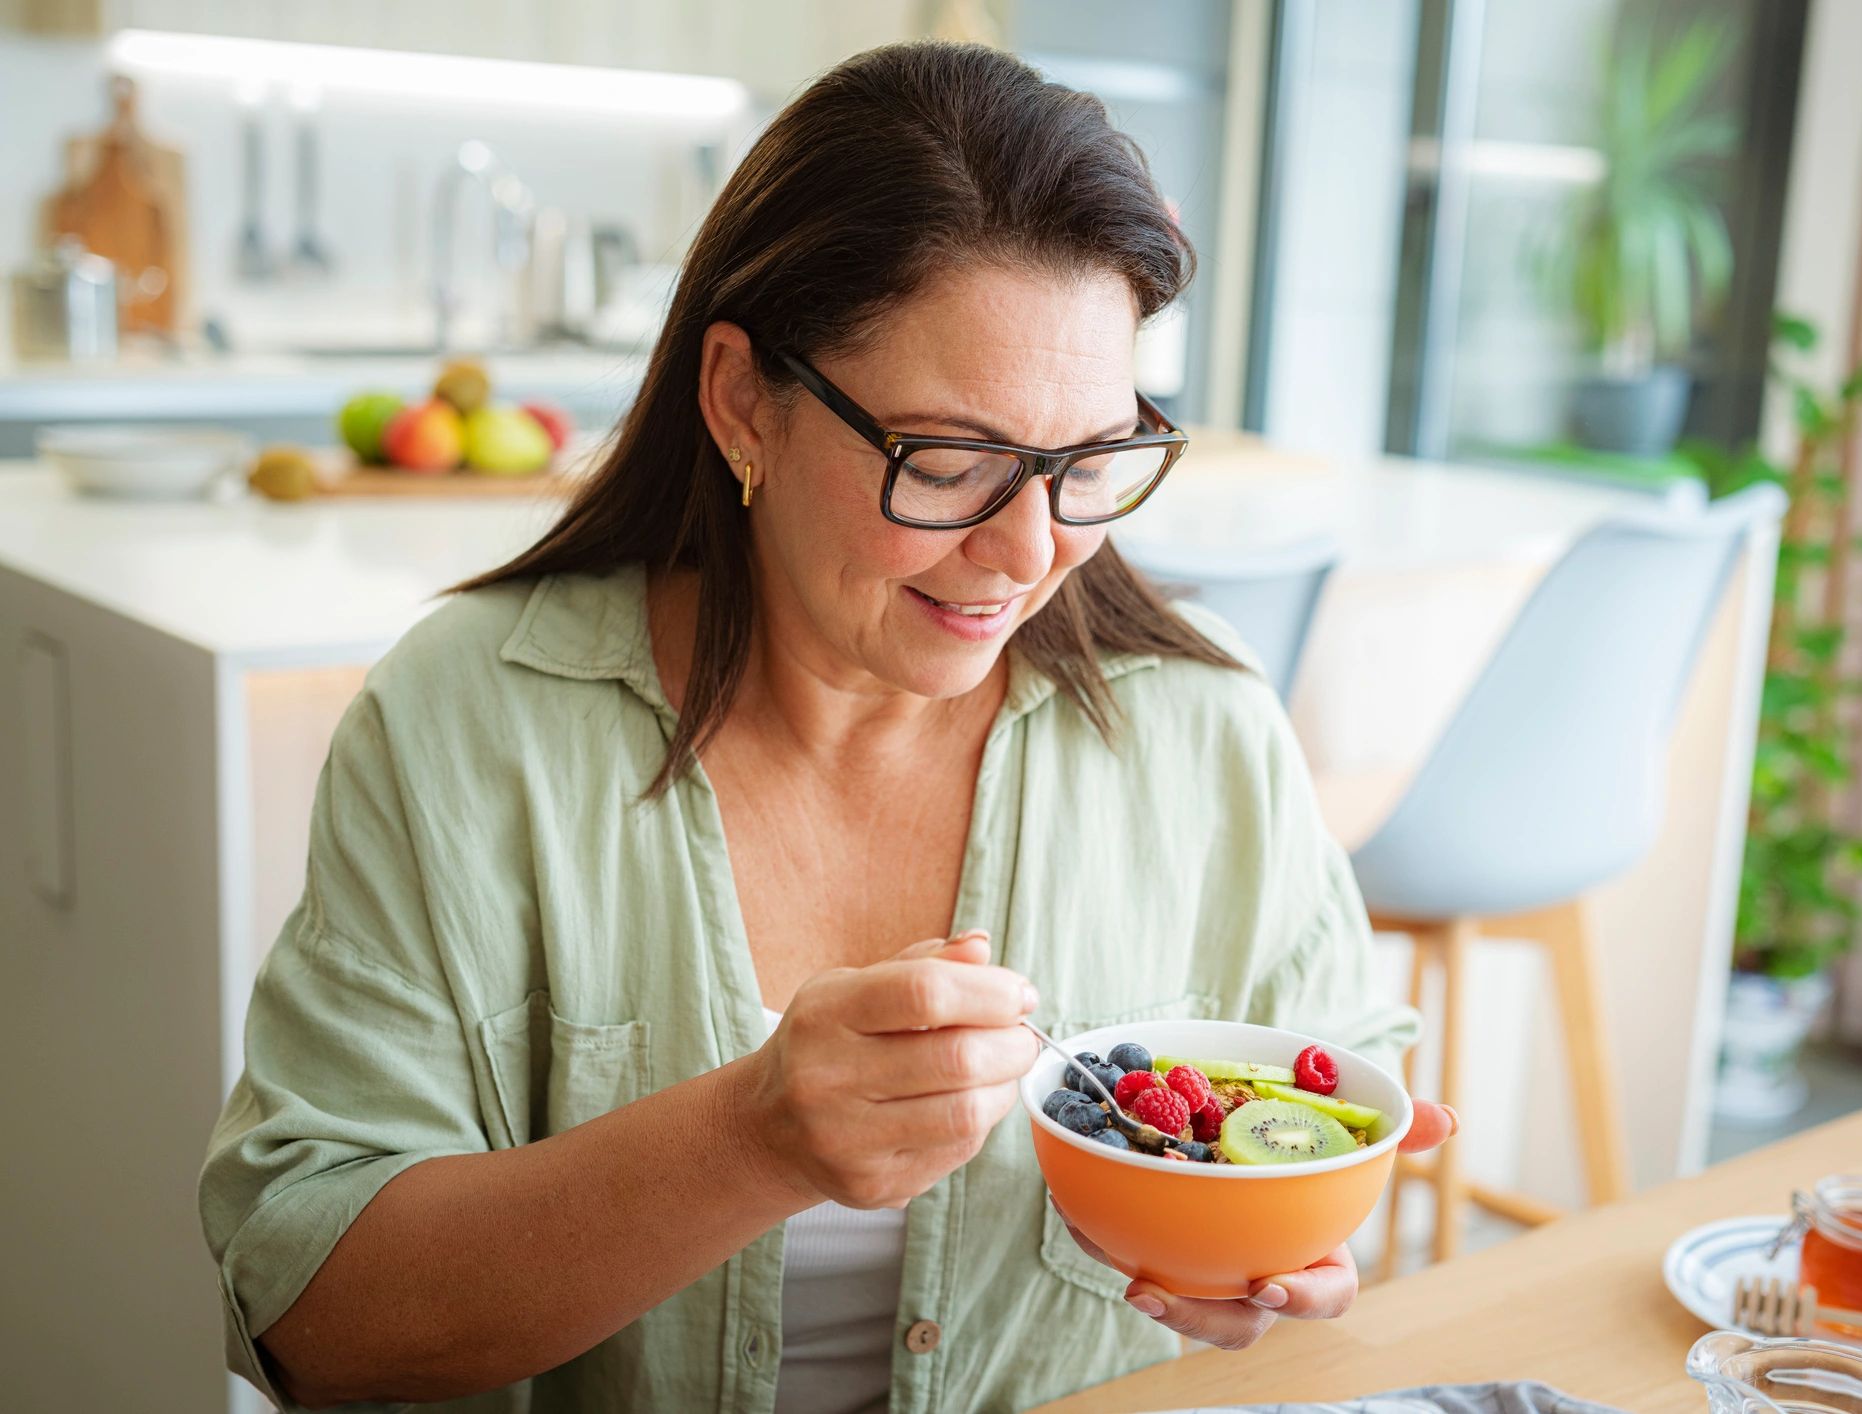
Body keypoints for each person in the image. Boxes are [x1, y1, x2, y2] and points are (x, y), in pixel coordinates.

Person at [200, 40, 1455, 1414]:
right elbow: (315, 1314)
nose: (1028, 550)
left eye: (1090, 461)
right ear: (744, 402)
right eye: (951, 460)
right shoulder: (467, 722)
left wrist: (1289, 1250)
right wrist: (747, 1139)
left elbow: (1340, 1116)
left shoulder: (1205, 729)